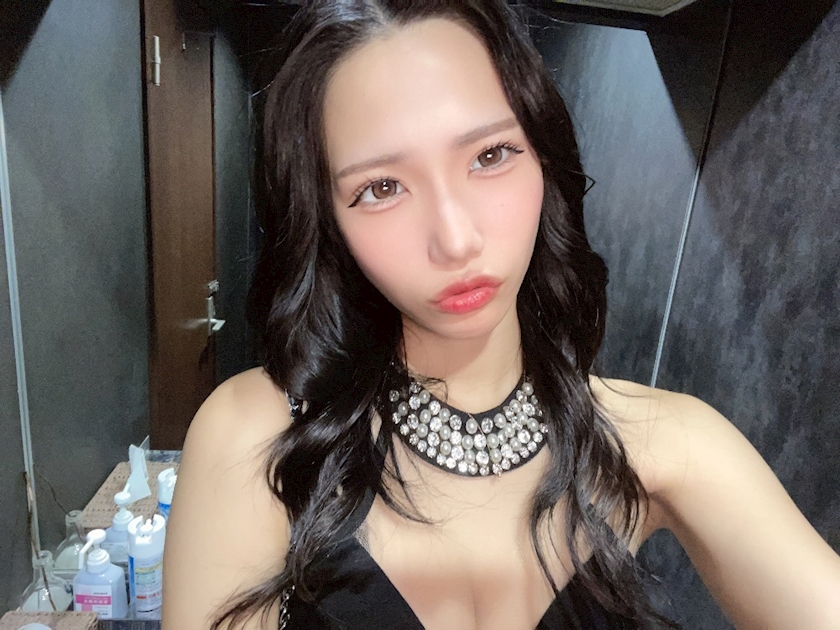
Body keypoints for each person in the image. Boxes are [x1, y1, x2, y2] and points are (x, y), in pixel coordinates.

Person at [161, 1, 840, 628]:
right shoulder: (255, 440)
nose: (456, 240)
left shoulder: (669, 446)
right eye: (382, 187)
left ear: (544, 157)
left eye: (490, 155)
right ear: (328, 222)